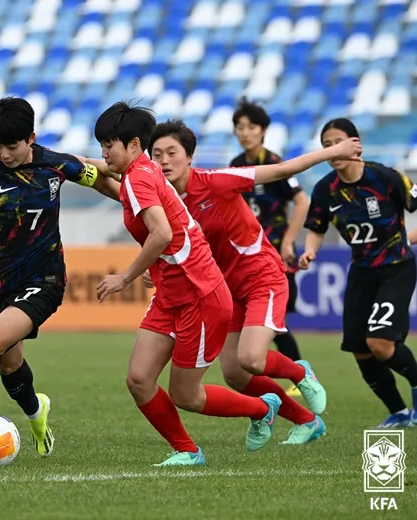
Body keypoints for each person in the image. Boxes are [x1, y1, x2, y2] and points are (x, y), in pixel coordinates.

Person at [0, 97, 121, 456]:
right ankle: (36, 414)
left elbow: (99, 179)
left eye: (12, 146)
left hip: (44, 277)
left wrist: (142, 204)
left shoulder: (56, 164)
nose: (5, 154)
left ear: (31, 137)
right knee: (9, 366)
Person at [94, 102, 283, 467]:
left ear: (133, 145)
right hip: (170, 294)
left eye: (109, 145)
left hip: (199, 295)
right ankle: (187, 451)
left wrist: (125, 278)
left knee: (186, 395)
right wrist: (62, 164)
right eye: (101, 145)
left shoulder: (140, 176)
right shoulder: (141, 171)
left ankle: (262, 408)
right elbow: (104, 177)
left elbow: (161, 233)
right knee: (138, 379)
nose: (104, 153)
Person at [148, 120, 359, 444]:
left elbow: (282, 170)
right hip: (225, 290)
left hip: (262, 277)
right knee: (234, 373)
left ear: (189, 156)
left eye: (171, 152)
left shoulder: (217, 181)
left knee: (251, 359)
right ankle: (305, 420)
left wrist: (334, 151)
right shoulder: (163, 202)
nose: (164, 161)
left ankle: (300, 372)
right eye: (157, 154)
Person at [299, 117, 417, 428]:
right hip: (361, 272)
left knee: (379, 343)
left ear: (355, 145)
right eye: (326, 146)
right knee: (359, 349)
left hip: (396, 268)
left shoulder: (385, 178)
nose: (332, 150)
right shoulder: (326, 190)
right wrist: (310, 250)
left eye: (337, 142)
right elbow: (316, 228)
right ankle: (400, 413)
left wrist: (408, 238)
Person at [231, 99, 308, 396]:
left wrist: (289, 239)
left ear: (263, 130)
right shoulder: (236, 166)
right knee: (271, 324)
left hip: (274, 254)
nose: (245, 132)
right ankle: (298, 376)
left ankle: (300, 375)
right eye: (240, 127)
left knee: (275, 321)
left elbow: (302, 201)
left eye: (251, 127)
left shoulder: (276, 164)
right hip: (244, 257)